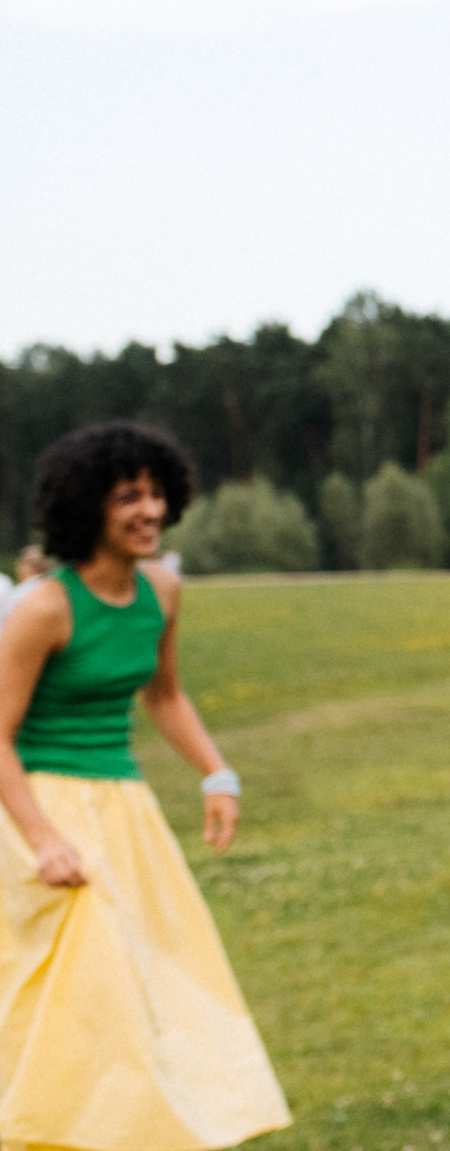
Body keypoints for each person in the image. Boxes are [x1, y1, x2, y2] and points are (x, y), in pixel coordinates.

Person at [0, 421, 292, 1148]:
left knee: (154, 986)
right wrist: (42, 839)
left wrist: (216, 773)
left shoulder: (161, 590)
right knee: (79, 992)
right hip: (40, 808)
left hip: (124, 810)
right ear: (88, 506)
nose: (151, 511)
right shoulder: (44, 606)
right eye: (129, 496)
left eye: (158, 493)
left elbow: (164, 695)